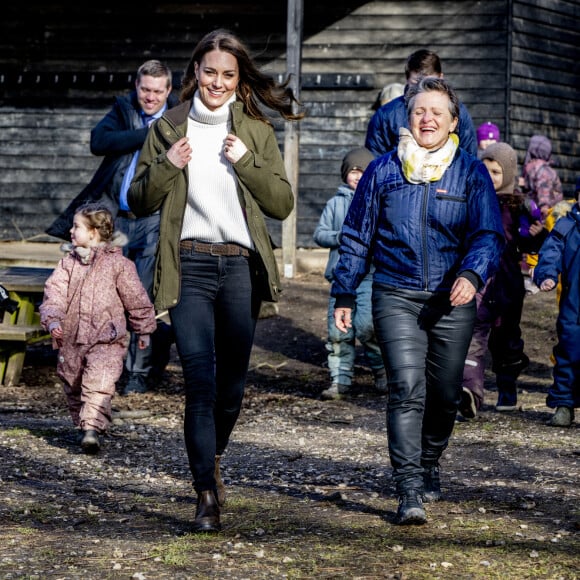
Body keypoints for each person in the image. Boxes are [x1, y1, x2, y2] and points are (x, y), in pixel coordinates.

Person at [127, 29, 303, 533]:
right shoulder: (169, 128)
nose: (218, 82)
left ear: (238, 77)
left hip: (240, 267)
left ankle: (214, 454)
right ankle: (205, 493)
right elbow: (138, 198)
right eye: (210, 73)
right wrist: (168, 163)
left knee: (232, 387)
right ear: (195, 74)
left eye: (228, 74)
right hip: (191, 265)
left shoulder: (254, 129)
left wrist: (245, 162)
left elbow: (281, 204)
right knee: (199, 383)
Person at [331, 77, 504, 525]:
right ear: (408, 119)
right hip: (396, 293)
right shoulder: (383, 170)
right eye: (418, 112)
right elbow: (355, 236)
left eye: (436, 113)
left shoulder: (470, 171)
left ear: (452, 122)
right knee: (406, 389)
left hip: (452, 298)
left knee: (445, 395)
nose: (426, 119)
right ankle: (408, 488)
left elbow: (487, 234)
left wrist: (472, 273)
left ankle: (429, 462)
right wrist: (345, 290)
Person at [45, 60, 178, 396]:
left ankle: (138, 372)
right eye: (145, 89)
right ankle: (103, 369)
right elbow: (99, 141)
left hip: (153, 218)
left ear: (169, 91)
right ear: (137, 86)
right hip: (113, 220)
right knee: (104, 297)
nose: (150, 97)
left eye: (157, 91)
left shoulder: (179, 117)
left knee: (140, 298)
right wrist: (148, 135)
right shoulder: (124, 110)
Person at [39, 203, 157, 454]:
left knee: (99, 382)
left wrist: (144, 329)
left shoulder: (119, 265)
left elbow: (136, 299)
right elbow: (54, 295)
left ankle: (91, 430)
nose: (71, 231)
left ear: (93, 232)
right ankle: (84, 424)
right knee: (73, 383)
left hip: (107, 339)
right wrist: (53, 320)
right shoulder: (67, 265)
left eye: (77, 226)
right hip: (70, 338)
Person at [459, 143, 545, 418]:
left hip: (507, 284)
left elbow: (530, 244)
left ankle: (507, 387)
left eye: (496, 171)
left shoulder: (519, 206)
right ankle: (470, 393)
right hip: (479, 281)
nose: (490, 176)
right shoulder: (471, 199)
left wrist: (535, 234)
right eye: (485, 169)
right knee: (474, 334)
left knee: (506, 339)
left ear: (507, 174)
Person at [314, 147, 387, 400]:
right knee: (338, 332)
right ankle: (340, 380)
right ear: (345, 174)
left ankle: (381, 371)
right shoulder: (335, 203)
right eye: (353, 172)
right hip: (339, 276)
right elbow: (320, 234)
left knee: (367, 326)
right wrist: (340, 237)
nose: (357, 177)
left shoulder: (377, 202)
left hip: (368, 276)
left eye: (363, 172)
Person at [365, 49, 477, 157]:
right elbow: (374, 159)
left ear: (441, 77)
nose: (423, 88)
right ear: (407, 79)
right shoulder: (386, 115)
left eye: (431, 83)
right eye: (416, 83)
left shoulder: (458, 111)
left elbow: (469, 156)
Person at [533, 194, 580, 427]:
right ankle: (564, 404)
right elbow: (550, 252)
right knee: (568, 353)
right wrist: (547, 274)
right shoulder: (566, 226)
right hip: (574, 304)